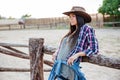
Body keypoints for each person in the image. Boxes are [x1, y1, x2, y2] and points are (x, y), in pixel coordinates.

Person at [48, 6, 99, 80]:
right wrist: (56, 52)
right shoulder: (72, 31)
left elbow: (94, 49)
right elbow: (64, 46)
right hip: (59, 67)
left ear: (80, 17)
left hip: (69, 69)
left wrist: (77, 55)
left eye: (73, 16)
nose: (70, 18)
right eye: (70, 16)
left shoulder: (87, 29)